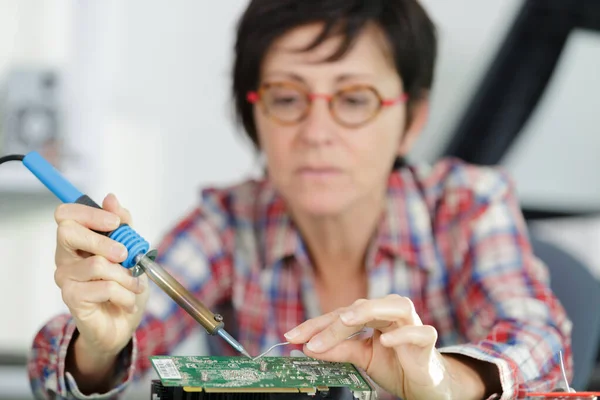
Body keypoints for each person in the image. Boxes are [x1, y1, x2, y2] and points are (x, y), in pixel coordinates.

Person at [28, 1, 573, 399]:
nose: (317, 131)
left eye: (353, 99)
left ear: (412, 119)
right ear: (255, 116)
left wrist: (442, 383)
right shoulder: (229, 220)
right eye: (287, 98)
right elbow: (69, 362)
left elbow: (543, 343)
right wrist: (99, 347)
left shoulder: (468, 204)